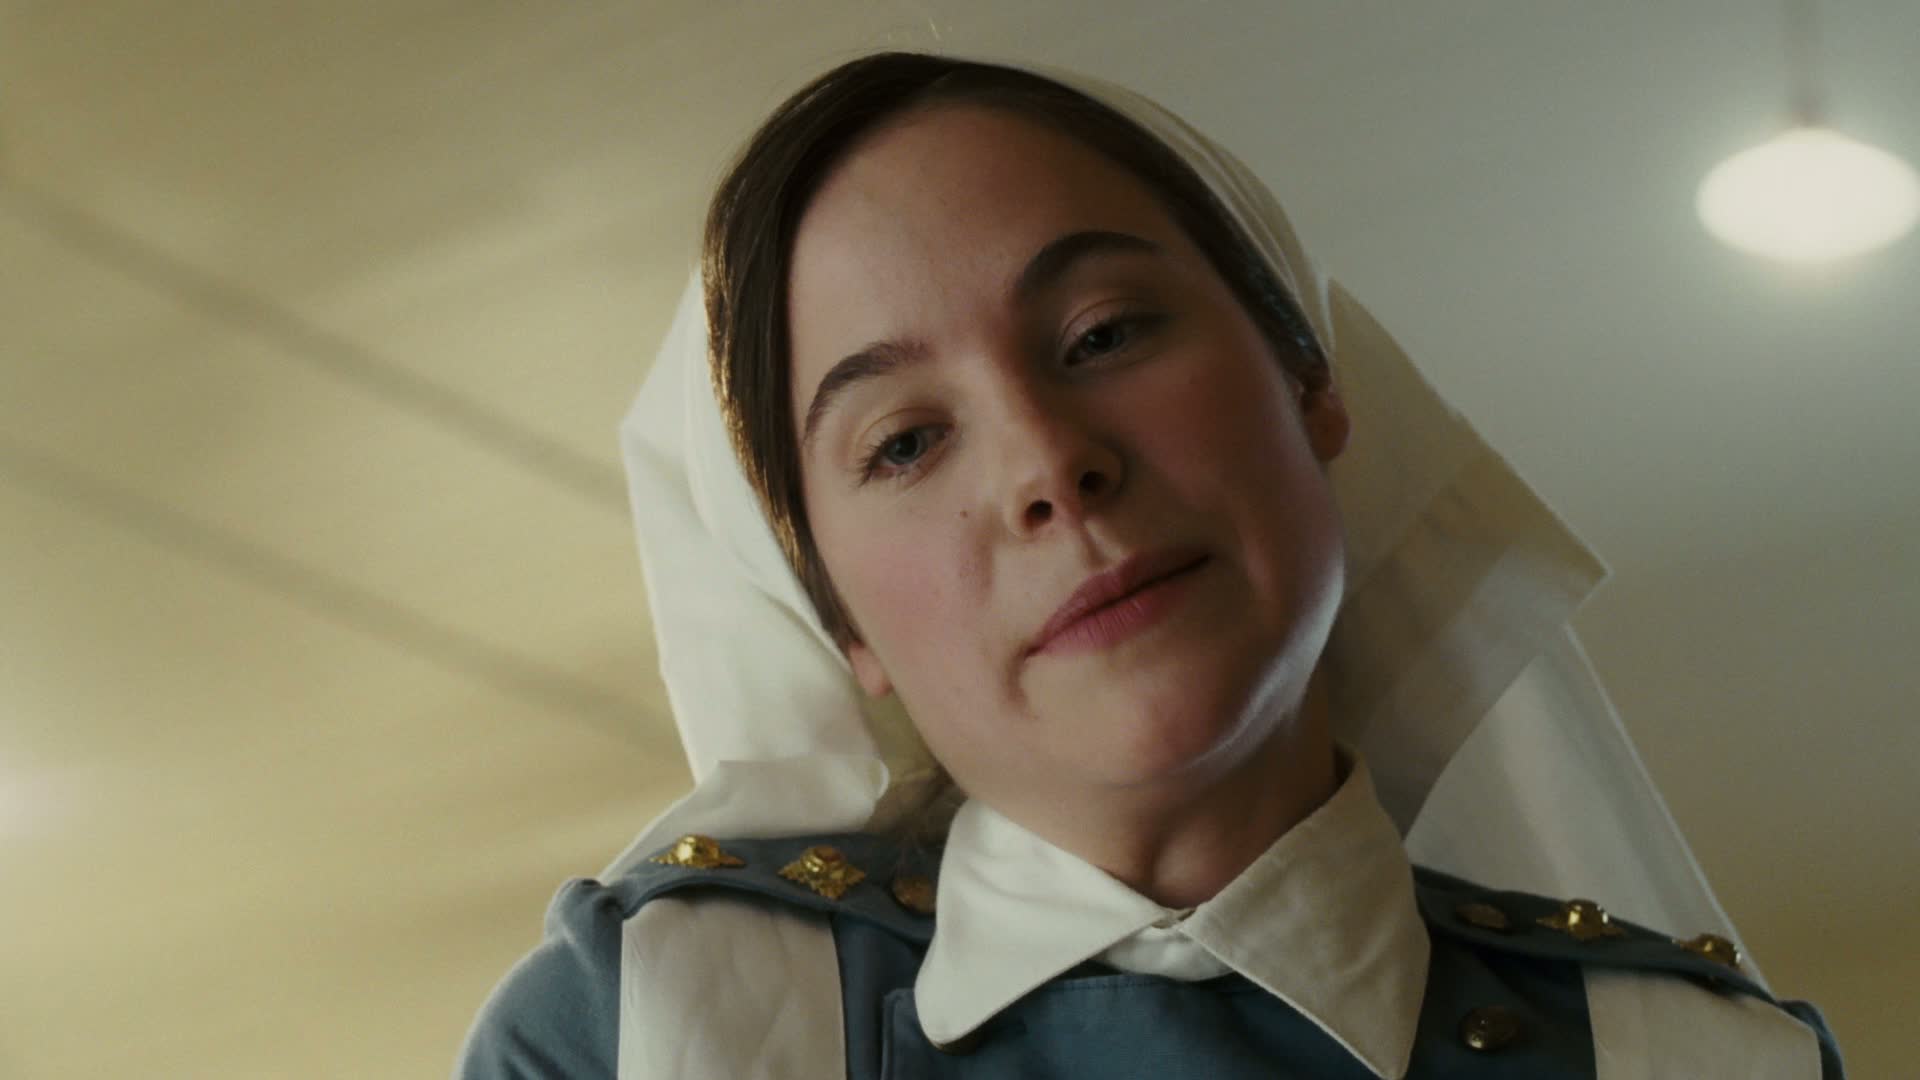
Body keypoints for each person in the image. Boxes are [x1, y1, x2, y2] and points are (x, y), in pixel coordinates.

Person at [456, 53, 1844, 1078]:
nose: (1048, 465)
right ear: (837, 621)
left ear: (1312, 383)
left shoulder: (1706, 1065)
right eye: (906, 442)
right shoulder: (644, 1036)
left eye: (1105, 333)